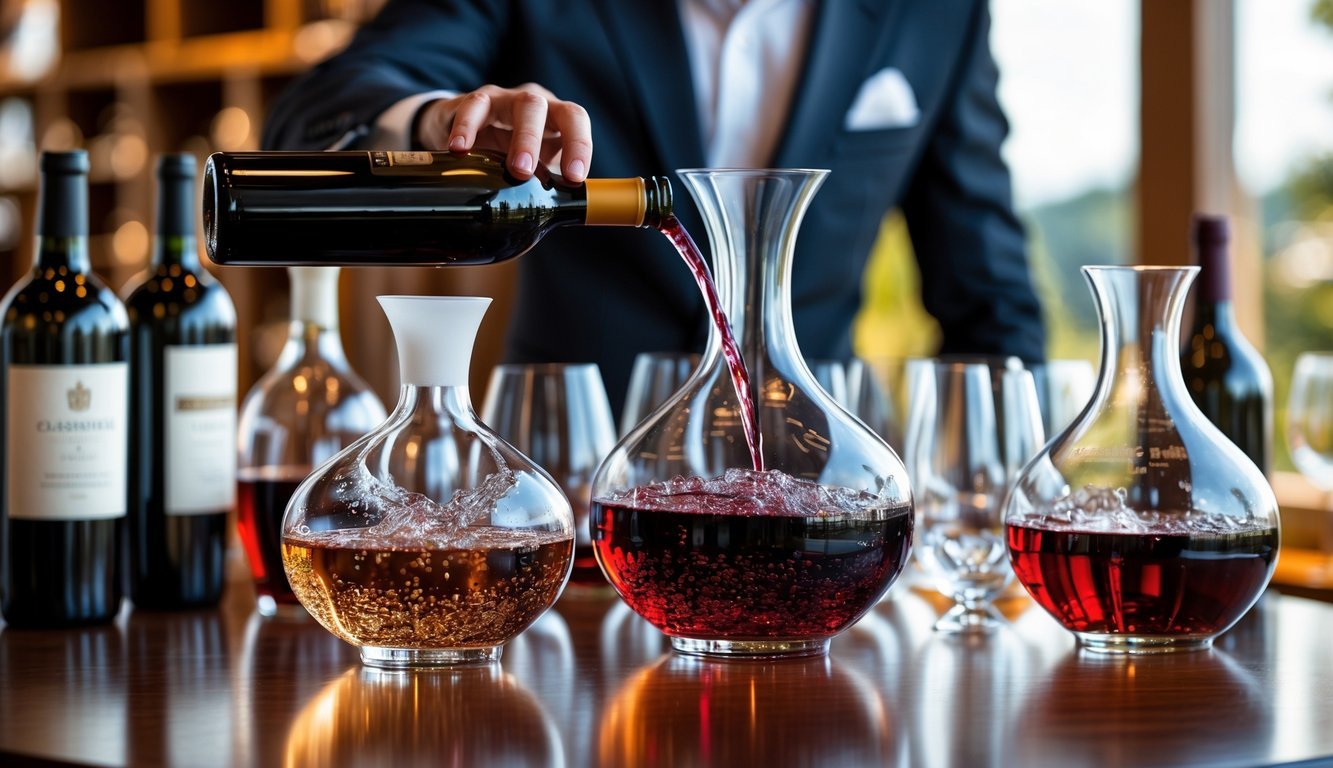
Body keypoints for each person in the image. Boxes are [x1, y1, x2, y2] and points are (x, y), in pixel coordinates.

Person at [263, 0, 1046, 416]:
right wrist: (437, 122)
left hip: (815, 497)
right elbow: (314, 112)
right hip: (571, 484)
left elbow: (988, 296)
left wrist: (1003, 485)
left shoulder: (937, 10)